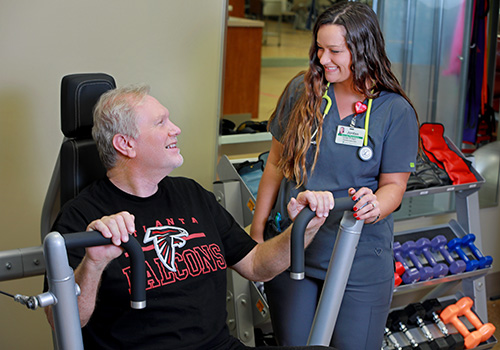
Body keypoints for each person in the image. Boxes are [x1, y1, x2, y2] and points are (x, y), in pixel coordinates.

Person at [44, 83, 337, 350]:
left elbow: (258, 265)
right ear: (125, 144)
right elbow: (62, 322)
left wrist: (306, 227)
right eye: (161, 123)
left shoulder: (192, 195)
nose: (176, 129)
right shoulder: (82, 217)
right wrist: (93, 264)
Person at [250, 2, 419, 349]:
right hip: (292, 250)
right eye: (320, 49)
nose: (324, 59)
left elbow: (394, 186)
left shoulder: (394, 111)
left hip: (358, 259)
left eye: (335, 51)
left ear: (364, 50)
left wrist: (377, 205)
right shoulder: (303, 91)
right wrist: (257, 234)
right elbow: (275, 164)